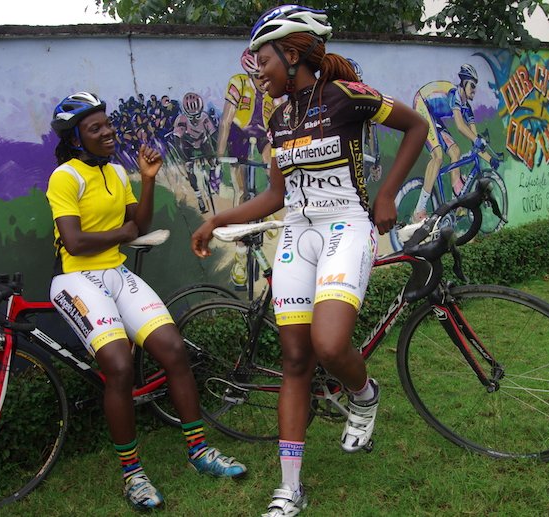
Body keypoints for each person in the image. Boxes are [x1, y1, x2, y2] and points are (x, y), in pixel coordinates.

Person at [190, 6, 427, 516]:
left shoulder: (346, 95)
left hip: (346, 225)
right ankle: (290, 488)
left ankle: (364, 393)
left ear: (292, 55)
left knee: (329, 343)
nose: (258, 71)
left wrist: (387, 194)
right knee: (295, 360)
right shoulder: (278, 119)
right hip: (297, 233)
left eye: (264, 60)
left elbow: (416, 126)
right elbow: (276, 195)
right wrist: (218, 219)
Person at [46, 91, 247, 512]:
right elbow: (75, 242)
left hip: (116, 273)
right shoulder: (65, 176)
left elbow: (139, 224)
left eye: (107, 123)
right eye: (96, 128)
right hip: (77, 279)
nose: (108, 131)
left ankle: (199, 451)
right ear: (76, 138)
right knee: (119, 365)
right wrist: (123, 234)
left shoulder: (117, 172)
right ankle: (133, 475)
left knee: (173, 350)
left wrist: (149, 178)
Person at [215, 47, 282, 290]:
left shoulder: (274, 89)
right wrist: (220, 154)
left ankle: (268, 208)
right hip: (239, 136)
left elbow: (280, 125)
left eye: (265, 76)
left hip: (264, 135)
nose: (263, 82)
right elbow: (226, 121)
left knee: (273, 167)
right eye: (258, 77)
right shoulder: (238, 83)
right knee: (242, 193)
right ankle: (240, 257)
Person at [411, 63, 496, 220]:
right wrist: (476, 139)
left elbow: (475, 139)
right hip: (422, 104)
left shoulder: (466, 107)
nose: (474, 90)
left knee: (455, 151)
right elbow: (460, 126)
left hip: (432, 116)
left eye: (476, 86)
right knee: (438, 156)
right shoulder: (454, 94)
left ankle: (455, 198)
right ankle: (419, 210)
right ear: (464, 83)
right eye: (472, 85)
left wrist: (490, 159)